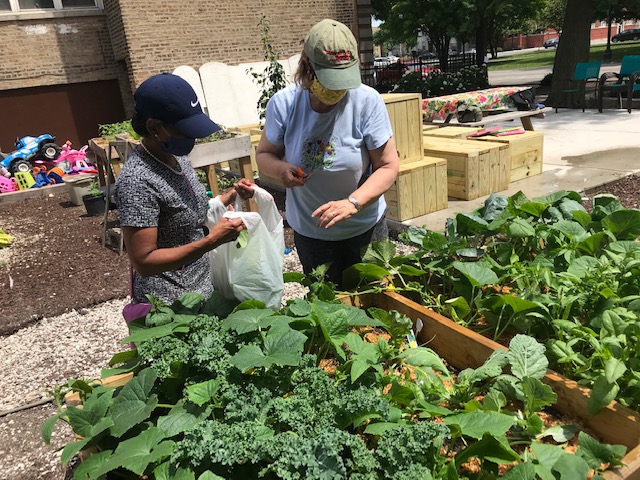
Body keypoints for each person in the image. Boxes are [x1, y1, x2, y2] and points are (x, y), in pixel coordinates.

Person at [256, 19, 399, 287]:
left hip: (364, 227)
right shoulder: (284, 104)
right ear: (307, 68)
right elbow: (264, 154)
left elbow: (388, 166)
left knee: (376, 305)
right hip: (312, 233)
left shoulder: (367, 101)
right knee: (327, 310)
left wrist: (352, 203)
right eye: (329, 80)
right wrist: (280, 170)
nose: (336, 90)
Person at [116, 72, 253, 307]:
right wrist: (211, 241)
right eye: (184, 130)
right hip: (170, 304)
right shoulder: (137, 181)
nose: (191, 138)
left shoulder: (174, 157)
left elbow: (186, 209)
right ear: (154, 128)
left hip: (200, 288)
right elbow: (144, 261)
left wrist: (230, 195)